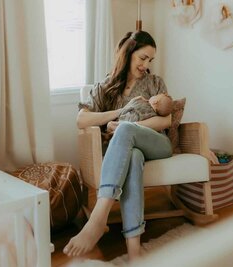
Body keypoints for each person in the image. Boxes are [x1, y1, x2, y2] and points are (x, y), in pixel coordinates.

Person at [63, 31, 173, 260]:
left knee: (125, 129)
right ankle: (134, 251)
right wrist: (120, 113)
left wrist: (128, 125)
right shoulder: (106, 86)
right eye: (142, 57)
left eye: (150, 60)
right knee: (132, 156)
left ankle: (98, 218)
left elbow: (166, 120)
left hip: (157, 145)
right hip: (126, 151)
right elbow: (81, 120)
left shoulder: (155, 83)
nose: (146, 64)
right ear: (128, 53)